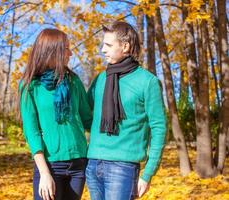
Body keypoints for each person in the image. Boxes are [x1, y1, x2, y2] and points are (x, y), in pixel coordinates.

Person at [86, 21, 167, 200]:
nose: (102, 50)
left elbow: (159, 128)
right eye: (103, 44)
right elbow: (84, 114)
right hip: (93, 164)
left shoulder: (147, 81)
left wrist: (148, 173)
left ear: (125, 46)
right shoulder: (100, 79)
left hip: (123, 168)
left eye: (108, 45)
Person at [18, 28, 92, 200]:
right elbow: (32, 131)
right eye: (66, 48)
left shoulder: (73, 81)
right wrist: (44, 173)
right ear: (52, 51)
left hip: (78, 164)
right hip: (50, 165)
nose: (71, 53)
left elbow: (88, 119)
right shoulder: (29, 86)